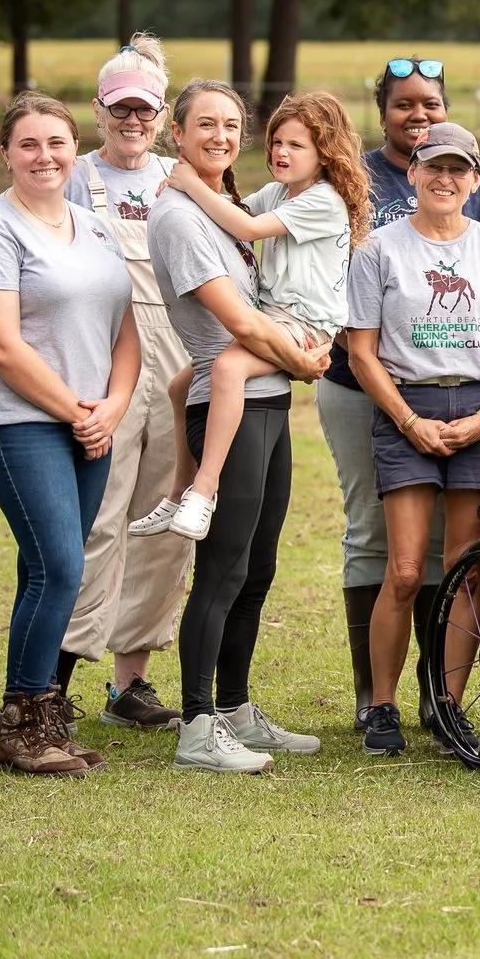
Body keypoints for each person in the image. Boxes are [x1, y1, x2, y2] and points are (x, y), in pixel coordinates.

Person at [314, 58, 480, 731]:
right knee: (383, 545)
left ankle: (441, 695)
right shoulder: (353, 178)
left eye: (429, 103)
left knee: (455, 558)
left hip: (467, 394)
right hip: (367, 386)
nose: (416, 114)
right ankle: (378, 698)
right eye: (404, 104)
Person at [0, 93, 141, 776]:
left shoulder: (93, 228)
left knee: (46, 564)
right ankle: (28, 727)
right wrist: (77, 410)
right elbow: (2, 346)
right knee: (61, 564)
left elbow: (126, 327)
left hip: (90, 421)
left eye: (56, 142)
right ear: (5, 152)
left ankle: (24, 705)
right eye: (28, 144)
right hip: (19, 423)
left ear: (74, 148)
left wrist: (114, 404)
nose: (44, 156)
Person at [148, 79, 333, 774]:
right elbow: (240, 322)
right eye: (206, 125)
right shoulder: (180, 216)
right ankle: (197, 724)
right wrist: (305, 361)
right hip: (230, 401)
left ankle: (234, 708)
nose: (221, 136)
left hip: (267, 401)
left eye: (231, 125)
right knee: (222, 570)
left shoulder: (222, 205)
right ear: (177, 129)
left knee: (257, 567)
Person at [344, 121, 480, 759]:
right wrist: (407, 420)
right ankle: (382, 705)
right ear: (413, 173)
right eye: (434, 167)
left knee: (465, 570)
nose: (445, 179)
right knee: (404, 569)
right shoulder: (380, 249)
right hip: (412, 406)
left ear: (475, 180)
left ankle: (449, 706)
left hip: (479, 410)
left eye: (459, 170)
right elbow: (362, 351)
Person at [133, 91, 366, 540]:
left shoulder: (325, 200)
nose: (281, 152)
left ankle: (204, 490)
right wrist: (185, 192)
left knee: (228, 366)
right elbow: (235, 210)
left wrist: (191, 185)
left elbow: (248, 227)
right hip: (276, 313)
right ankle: (179, 490)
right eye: (277, 141)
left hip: (306, 323)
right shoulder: (280, 191)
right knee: (182, 383)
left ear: (325, 155)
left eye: (297, 146)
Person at [55, 35, 191, 731]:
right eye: (119, 109)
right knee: (97, 519)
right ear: (99, 110)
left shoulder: (183, 176)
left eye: (144, 109)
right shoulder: (72, 176)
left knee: (166, 521)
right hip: (102, 361)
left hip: (177, 359)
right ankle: (56, 676)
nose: (131, 120)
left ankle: (130, 683)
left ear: (163, 114)